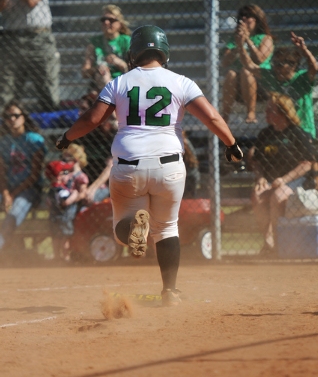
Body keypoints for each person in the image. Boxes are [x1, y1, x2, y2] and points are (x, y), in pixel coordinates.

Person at [56, 25, 243, 306]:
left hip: (128, 166)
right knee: (166, 228)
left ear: (133, 54)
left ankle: (132, 228)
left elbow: (92, 120)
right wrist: (232, 144)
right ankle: (170, 292)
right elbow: (212, 118)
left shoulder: (119, 82)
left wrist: (66, 138)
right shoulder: (181, 82)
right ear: (164, 52)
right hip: (169, 166)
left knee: (123, 230)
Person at [248, 92, 316, 254]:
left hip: (296, 180)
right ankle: (269, 241)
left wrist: (285, 179)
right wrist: (260, 177)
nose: (266, 113)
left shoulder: (297, 133)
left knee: (277, 196)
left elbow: (307, 164)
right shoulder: (265, 134)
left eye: (270, 110)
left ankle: (279, 243)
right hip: (272, 180)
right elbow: (256, 162)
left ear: (283, 112)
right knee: (257, 195)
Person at [0, 0, 60, 112]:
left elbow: (31, 1)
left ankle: (54, 138)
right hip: (10, 40)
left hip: (38, 39)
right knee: (6, 93)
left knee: (47, 90)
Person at [239, 32, 318, 138]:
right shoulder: (272, 76)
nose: (277, 67)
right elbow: (249, 65)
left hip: (304, 131)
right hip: (280, 131)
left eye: (280, 64)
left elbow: (314, 67)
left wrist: (304, 49)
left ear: (293, 65)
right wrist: (241, 44)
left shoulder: (302, 78)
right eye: (275, 63)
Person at [0, 99, 46, 250]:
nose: (12, 119)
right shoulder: (3, 142)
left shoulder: (34, 140)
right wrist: (6, 193)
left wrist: (12, 195)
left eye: (15, 115)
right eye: (8, 117)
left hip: (29, 189)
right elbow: (1, 172)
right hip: (6, 189)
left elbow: (34, 175)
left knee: (14, 213)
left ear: (23, 117)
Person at [222, 4, 274, 123]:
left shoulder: (265, 38)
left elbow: (259, 59)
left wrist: (247, 40)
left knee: (246, 71)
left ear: (257, 19)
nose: (244, 19)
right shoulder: (234, 39)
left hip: (262, 83)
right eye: (242, 16)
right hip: (240, 86)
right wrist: (238, 45)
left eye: (248, 16)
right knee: (231, 73)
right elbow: (225, 62)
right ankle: (225, 115)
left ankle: (251, 113)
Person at [46, 144, 89, 260]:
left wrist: (72, 198)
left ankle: (65, 256)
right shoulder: (64, 174)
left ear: (77, 159)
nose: (64, 161)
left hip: (69, 208)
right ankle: (56, 256)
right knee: (55, 233)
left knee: (64, 233)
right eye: (63, 158)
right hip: (57, 207)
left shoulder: (80, 176)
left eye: (68, 158)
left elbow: (82, 193)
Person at [76, 91, 117, 204]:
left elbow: (111, 166)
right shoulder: (82, 132)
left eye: (84, 109)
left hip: (106, 184)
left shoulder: (113, 134)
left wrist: (92, 188)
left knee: (88, 201)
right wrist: (83, 187)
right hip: (83, 182)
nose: (79, 113)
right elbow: (76, 161)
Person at [81, 4, 131, 91]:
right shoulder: (94, 43)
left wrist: (121, 64)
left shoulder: (127, 41)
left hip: (122, 83)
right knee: (103, 75)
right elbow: (84, 73)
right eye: (103, 20)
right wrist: (97, 68)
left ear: (119, 23)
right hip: (100, 84)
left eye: (111, 20)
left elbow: (137, 72)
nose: (106, 22)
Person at [182, 131, 201, 198]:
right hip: (179, 174)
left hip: (190, 174)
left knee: (195, 176)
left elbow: (194, 161)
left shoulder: (186, 142)